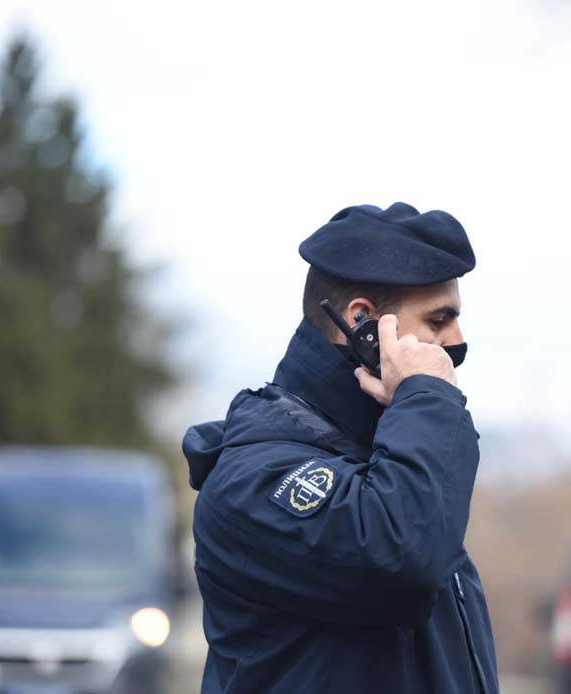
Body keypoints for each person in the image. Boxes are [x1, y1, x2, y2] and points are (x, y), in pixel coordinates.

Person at [182, 202, 499, 693]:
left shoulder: (400, 467)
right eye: (438, 320)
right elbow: (401, 562)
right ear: (363, 325)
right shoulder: (253, 477)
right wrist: (428, 397)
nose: (456, 342)